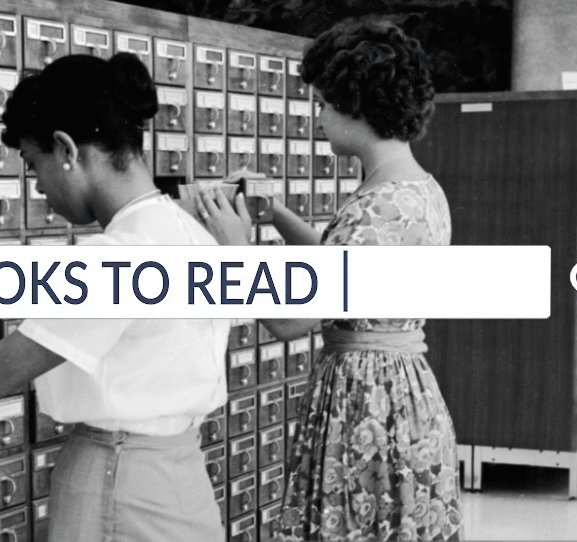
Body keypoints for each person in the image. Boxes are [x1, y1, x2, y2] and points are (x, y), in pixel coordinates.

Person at [0, 53, 228, 542]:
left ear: (65, 149)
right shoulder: (193, 234)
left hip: (118, 485)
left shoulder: (114, 257)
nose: (38, 186)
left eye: (32, 163)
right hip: (183, 480)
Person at [196, 19, 462, 542]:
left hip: (367, 403)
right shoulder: (415, 190)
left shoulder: (380, 208)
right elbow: (346, 275)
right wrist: (275, 215)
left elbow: (293, 320)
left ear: (355, 103)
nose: (317, 118)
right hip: (398, 392)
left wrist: (235, 254)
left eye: (321, 103)